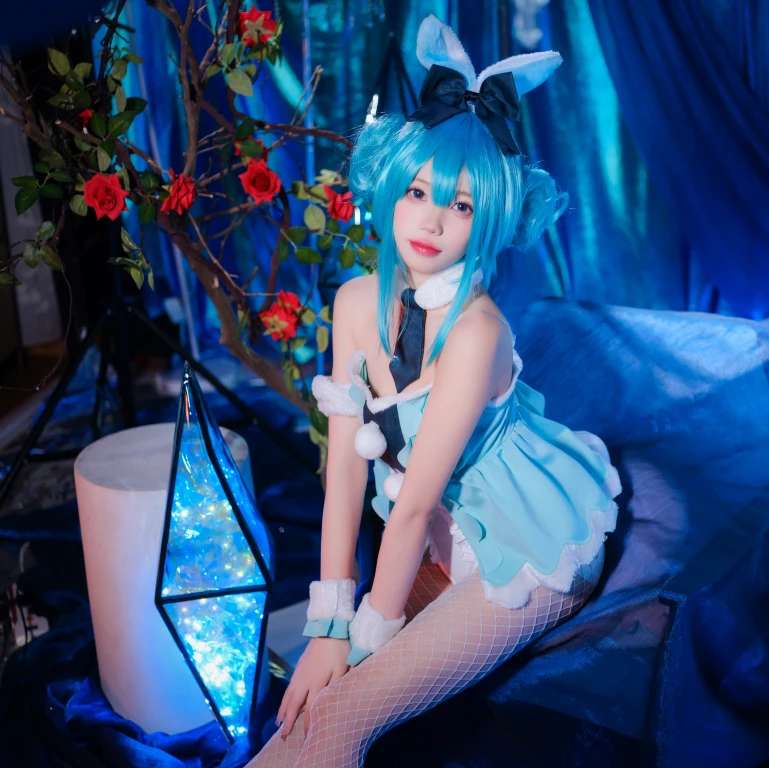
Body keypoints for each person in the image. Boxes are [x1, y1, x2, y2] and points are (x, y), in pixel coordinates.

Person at [245, 14, 621, 768]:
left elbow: (413, 504)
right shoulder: (355, 302)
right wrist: (328, 625)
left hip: (525, 542)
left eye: (462, 205)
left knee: (341, 712)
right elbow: (344, 472)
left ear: (490, 218)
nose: (432, 221)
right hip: (443, 530)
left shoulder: (478, 331)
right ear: (391, 187)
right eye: (419, 191)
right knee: (308, 704)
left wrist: (363, 639)